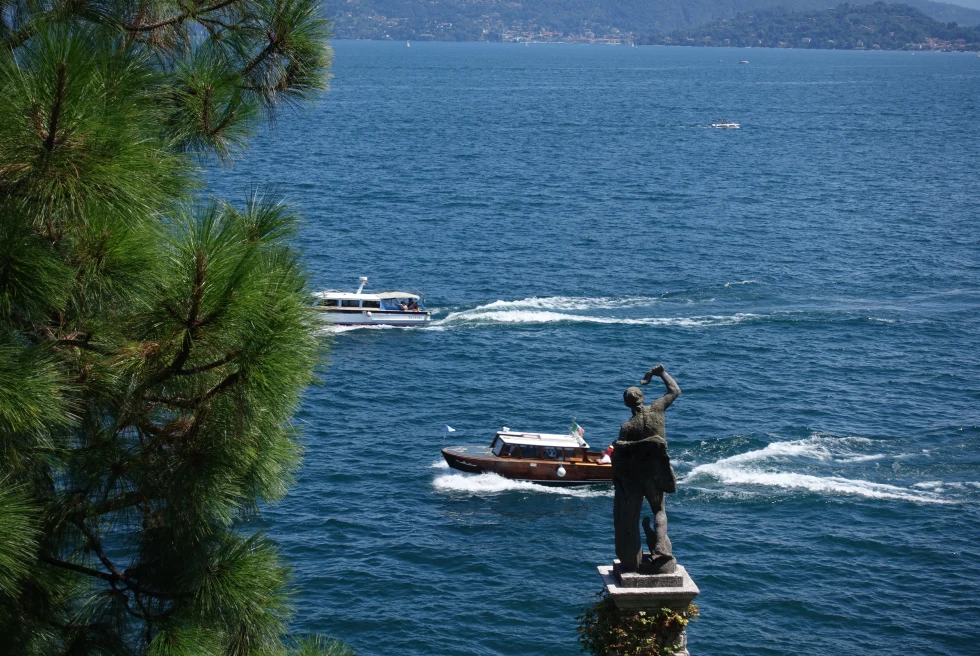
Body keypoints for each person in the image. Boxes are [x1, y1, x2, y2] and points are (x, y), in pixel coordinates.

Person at [612, 364, 681, 573]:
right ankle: (661, 550)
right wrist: (661, 374)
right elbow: (675, 391)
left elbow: (620, 456)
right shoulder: (657, 409)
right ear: (642, 397)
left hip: (636, 477)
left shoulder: (627, 427)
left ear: (627, 404)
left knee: (632, 516)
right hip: (657, 472)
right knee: (659, 510)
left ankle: (635, 555)